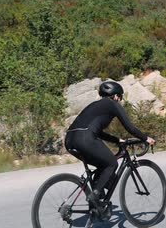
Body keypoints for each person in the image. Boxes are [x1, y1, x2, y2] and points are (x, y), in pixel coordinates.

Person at [65, 81, 155, 216]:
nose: (118, 99)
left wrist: (116, 140)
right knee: (112, 163)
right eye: (119, 97)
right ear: (116, 96)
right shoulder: (113, 105)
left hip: (70, 140)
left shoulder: (94, 105)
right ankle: (95, 195)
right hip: (85, 139)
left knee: (102, 164)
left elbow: (97, 131)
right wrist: (145, 138)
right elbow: (129, 127)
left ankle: (96, 201)